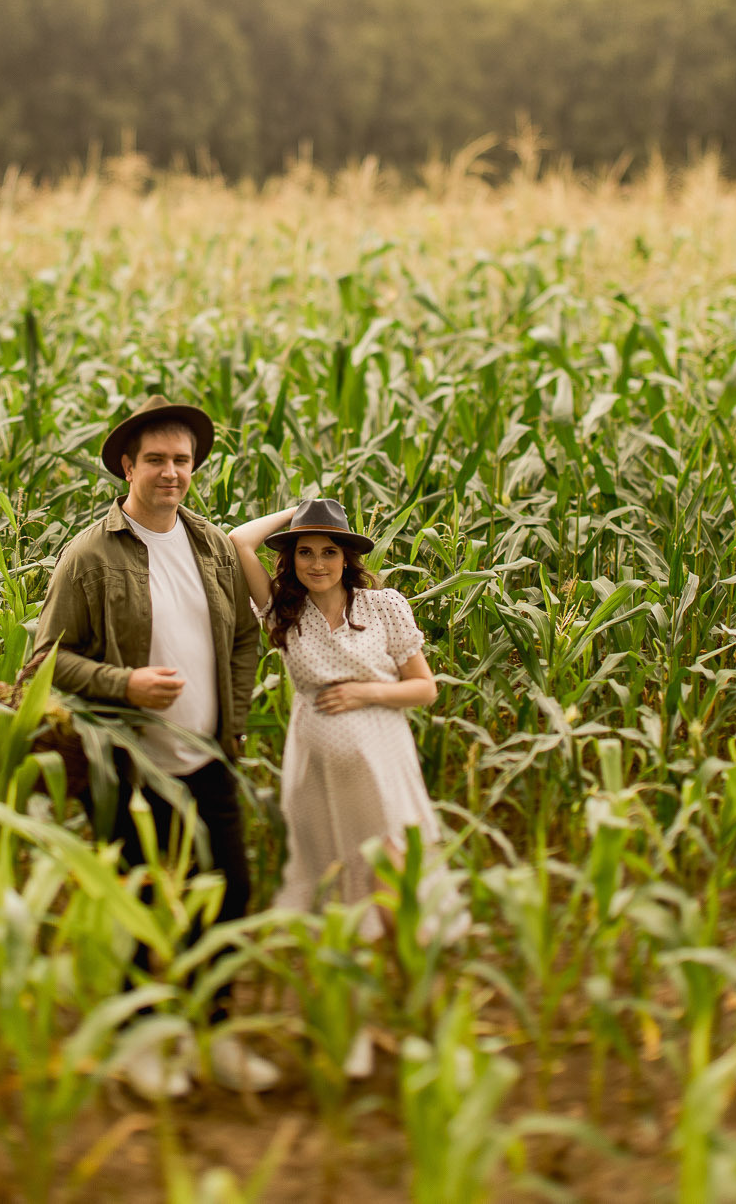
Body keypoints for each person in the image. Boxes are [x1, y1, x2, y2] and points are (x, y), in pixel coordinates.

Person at [31, 394, 278, 1098]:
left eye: (183, 460)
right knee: (143, 907)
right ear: (127, 466)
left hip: (208, 757)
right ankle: (141, 1044)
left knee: (229, 897)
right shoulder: (90, 555)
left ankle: (213, 1035)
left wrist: (234, 715)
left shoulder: (210, 545)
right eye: (157, 460)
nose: (172, 472)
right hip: (131, 764)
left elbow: (242, 636)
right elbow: (43, 662)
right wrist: (125, 682)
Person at [228, 498, 465, 1079]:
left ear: (348, 557)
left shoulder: (383, 606)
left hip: (382, 762)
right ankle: (350, 1032)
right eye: (304, 552)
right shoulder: (284, 611)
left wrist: (364, 693)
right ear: (291, 560)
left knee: (398, 901)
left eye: (328, 550)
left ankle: (436, 1032)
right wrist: (294, 515)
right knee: (338, 900)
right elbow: (237, 541)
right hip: (318, 774)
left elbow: (424, 690)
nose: (316, 562)